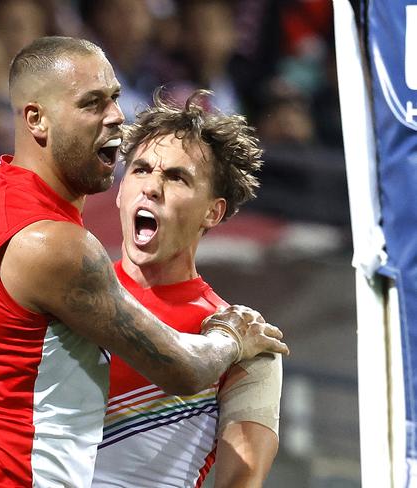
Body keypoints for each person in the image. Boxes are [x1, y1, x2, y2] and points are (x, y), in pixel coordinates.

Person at [0, 36, 288, 487]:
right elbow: (184, 369)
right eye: (92, 104)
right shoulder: (59, 251)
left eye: (115, 99)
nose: (116, 118)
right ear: (36, 120)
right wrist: (234, 336)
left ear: (215, 210)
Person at [91, 89, 281, 488]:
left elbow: (240, 482)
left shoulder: (246, 342)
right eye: (140, 170)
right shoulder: (64, 294)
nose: (151, 187)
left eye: (176, 177)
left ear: (213, 211)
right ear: (121, 193)